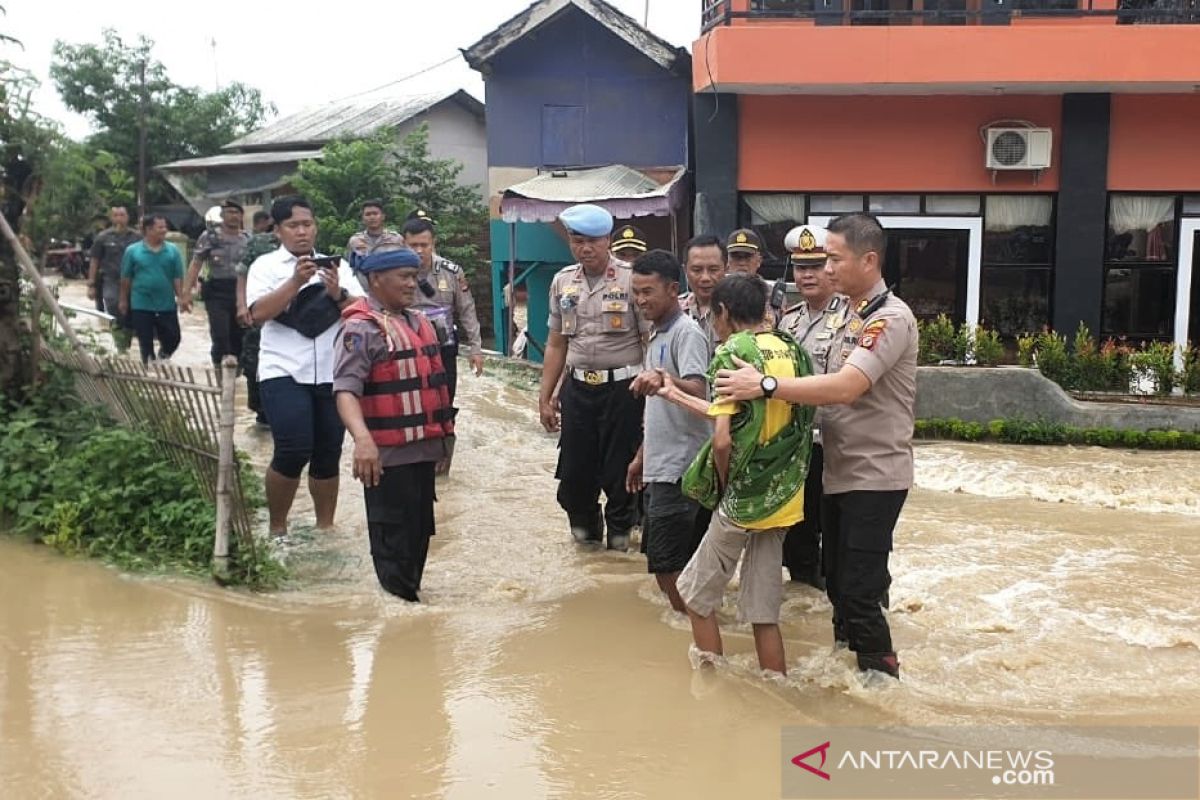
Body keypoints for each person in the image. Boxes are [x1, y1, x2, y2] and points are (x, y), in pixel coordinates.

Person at [713, 213, 917, 680]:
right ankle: (849, 671)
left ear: (868, 260)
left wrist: (763, 385)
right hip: (836, 470)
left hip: (875, 474)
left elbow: (845, 387)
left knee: (861, 591)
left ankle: (883, 685)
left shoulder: (889, 319)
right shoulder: (847, 312)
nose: (826, 270)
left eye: (835, 260)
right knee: (839, 588)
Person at [658, 273, 814, 675]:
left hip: (743, 499)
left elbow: (724, 439)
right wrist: (673, 394)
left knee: (694, 596)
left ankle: (713, 687)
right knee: (764, 613)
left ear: (723, 312)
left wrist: (725, 489)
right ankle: (774, 687)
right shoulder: (791, 349)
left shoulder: (732, 352)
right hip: (782, 496)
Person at [333, 245, 454, 602]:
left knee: (418, 534)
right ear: (375, 280)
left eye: (414, 276)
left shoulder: (419, 322)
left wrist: (445, 442)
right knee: (393, 541)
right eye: (403, 277)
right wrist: (362, 440)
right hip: (388, 458)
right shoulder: (361, 329)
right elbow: (344, 391)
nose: (411, 284)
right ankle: (399, 616)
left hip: (423, 453)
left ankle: (412, 614)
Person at [245, 196, 364, 536]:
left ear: (316, 226)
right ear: (278, 230)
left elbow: (363, 311)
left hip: (331, 371)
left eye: (307, 224)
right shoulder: (265, 267)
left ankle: (325, 528)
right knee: (294, 448)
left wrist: (337, 292)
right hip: (282, 370)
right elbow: (257, 314)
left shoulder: (336, 266)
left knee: (328, 452)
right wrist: (296, 282)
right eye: (293, 226)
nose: (302, 232)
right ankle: (277, 529)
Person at [539, 203, 648, 551]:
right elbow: (556, 342)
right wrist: (546, 396)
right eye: (577, 240)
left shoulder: (633, 280)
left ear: (608, 241)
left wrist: (652, 401)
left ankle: (618, 548)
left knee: (620, 477)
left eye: (592, 241)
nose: (584, 249)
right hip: (578, 390)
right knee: (573, 478)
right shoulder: (562, 282)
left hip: (623, 391)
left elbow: (649, 341)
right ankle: (586, 544)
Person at [625, 250, 713, 613]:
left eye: (648, 292)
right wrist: (641, 457)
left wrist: (663, 378)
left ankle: (696, 630)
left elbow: (699, 389)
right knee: (673, 563)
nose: (640, 300)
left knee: (666, 566)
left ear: (672, 289)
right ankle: (698, 625)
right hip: (660, 464)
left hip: (682, 468)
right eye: (636, 292)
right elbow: (658, 404)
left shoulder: (686, 333)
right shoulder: (657, 334)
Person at [777, 224, 846, 590]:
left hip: (837, 444)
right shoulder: (789, 321)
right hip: (796, 445)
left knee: (838, 537)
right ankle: (808, 607)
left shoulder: (853, 318)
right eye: (800, 267)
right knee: (798, 536)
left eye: (815, 266)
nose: (806, 274)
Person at [401, 210, 484, 405]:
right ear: (404, 245)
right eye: (413, 246)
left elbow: (467, 311)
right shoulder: (395, 273)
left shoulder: (451, 272)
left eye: (424, 245)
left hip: (443, 347)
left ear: (433, 243)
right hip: (408, 348)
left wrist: (476, 349)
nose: (419, 250)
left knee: (445, 399)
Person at [184, 199, 250, 372]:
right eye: (229, 212)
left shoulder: (248, 240)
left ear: (242, 216)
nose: (233, 216)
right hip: (216, 292)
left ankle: (235, 373)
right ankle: (219, 370)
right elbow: (196, 264)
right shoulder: (210, 237)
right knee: (221, 335)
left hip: (241, 291)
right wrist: (186, 293)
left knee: (240, 336)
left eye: (236, 213)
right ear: (222, 216)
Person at [119, 215, 187, 365]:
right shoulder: (133, 251)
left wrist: (181, 297)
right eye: (160, 227)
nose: (165, 230)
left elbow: (177, 276)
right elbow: (126, 278)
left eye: (165, 227)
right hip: (141, 303)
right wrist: (123, 300)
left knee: (173, 337)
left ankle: (163, 356)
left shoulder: (173, 251)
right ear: (149, 230)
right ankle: (149, 372)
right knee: (145, 341)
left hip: (166, 303)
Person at [237, 210, 279, 426]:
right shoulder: (259, 243)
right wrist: (242, 305)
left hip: (289, 319)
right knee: (253, 361)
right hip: (258, 312)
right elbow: (242, 273)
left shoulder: (307, 247)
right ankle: (260, 410)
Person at [87, 205, 140, 352]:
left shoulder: (137, 237)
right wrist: (91, 284)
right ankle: (119, 340)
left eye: (122, 215)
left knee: (133, 310)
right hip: (110, 279)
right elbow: (94, 260)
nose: (119, 218)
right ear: (111, 218)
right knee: (112, 303)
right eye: (116, 215)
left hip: (133, 280)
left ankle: (126, 341)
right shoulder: (102, 237)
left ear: (128, 217)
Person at [678, 234, 728, 354]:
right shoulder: (674, 310)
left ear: (726, 269)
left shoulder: (739, 311)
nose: (705, 278)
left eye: (713, 270)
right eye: (697, 270)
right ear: (685, 270)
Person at [726, 229, 782, 328]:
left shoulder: (772, 295)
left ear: (759, 261)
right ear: (727, 261)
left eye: (747, 257)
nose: (742, 263)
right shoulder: (718, 293)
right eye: (736, 257)